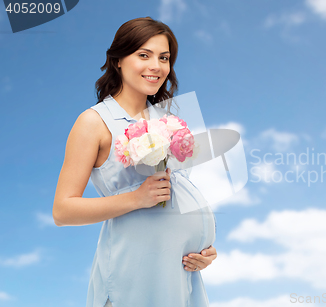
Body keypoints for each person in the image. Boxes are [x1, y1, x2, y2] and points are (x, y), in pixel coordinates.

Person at [53, 17, 217, 307]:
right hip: (134, 273)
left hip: (179, 275)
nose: (156, 66)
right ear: (118, 60)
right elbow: (63, 211)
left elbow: (178, 195)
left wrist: (201, 250)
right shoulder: (93, 122)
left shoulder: (169, 121)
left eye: (164, 58)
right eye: (144, 55)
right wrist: (137, 198)